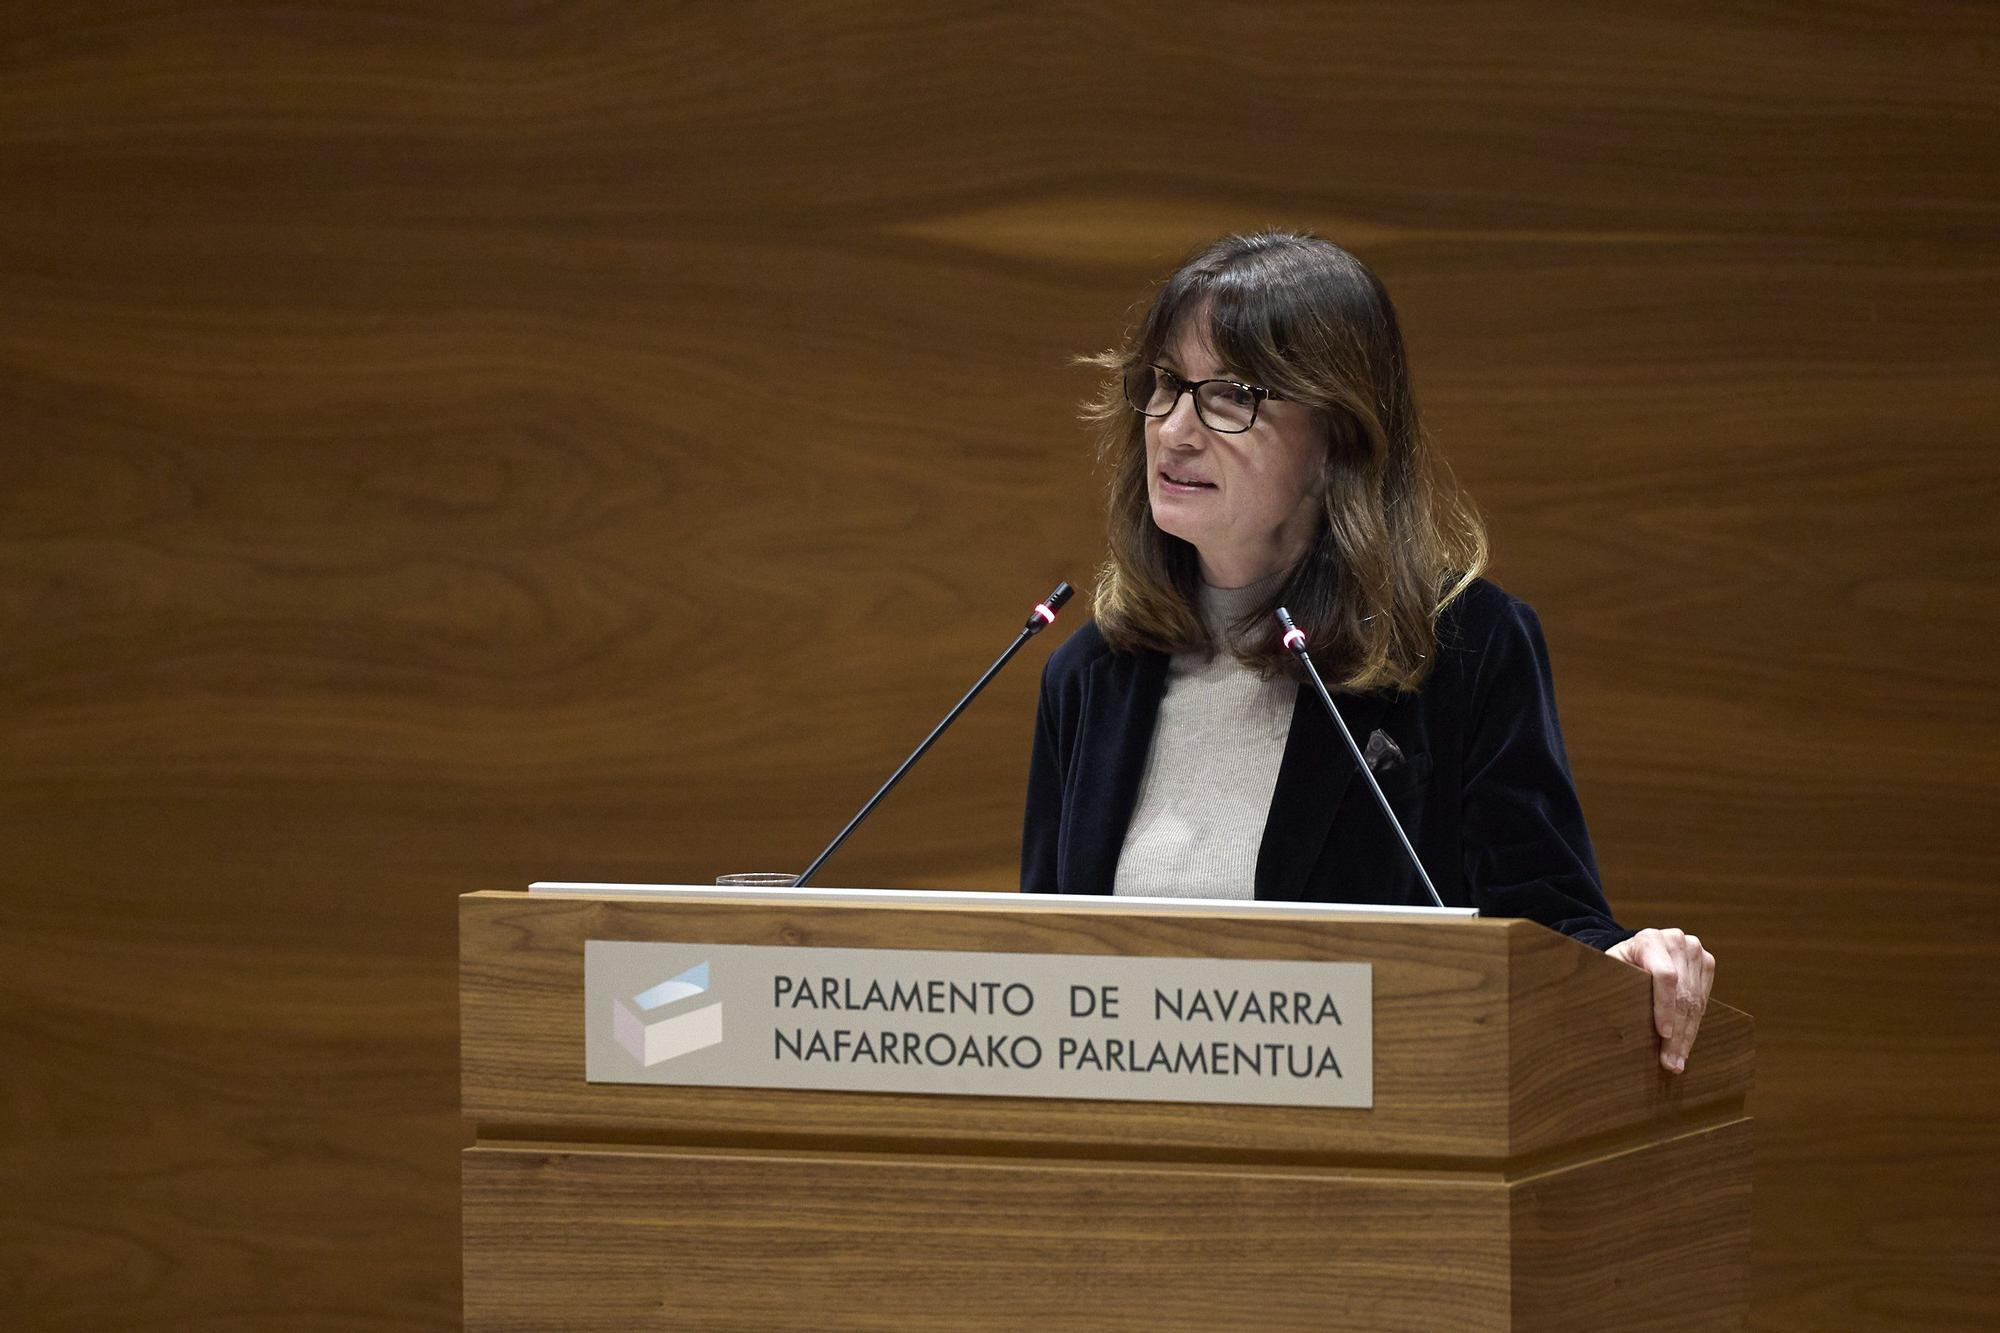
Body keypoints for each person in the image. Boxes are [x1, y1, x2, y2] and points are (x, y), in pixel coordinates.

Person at [1021, 231, 1715, 1073]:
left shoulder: (1462, 651)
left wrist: (1625, 963)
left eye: (1231, 394)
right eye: (1167, 385)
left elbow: (1549, 928)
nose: (1175, 429)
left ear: (1338, 436)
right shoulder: (1094, 675)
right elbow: (1047, 982)